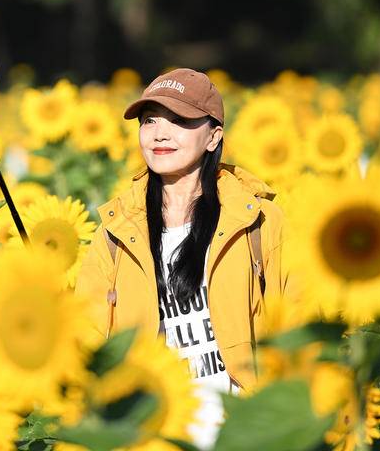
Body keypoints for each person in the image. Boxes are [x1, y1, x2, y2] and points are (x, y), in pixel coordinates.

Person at [74, 68, 289, 450]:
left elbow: (299, 324)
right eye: (150, 120)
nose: (159, 133)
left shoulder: (258, 221)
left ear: (213, 137)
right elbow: (87, 339)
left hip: (244, 433)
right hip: (151, 435)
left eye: (179, 121)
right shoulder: (114, 232)